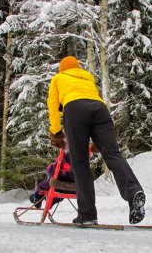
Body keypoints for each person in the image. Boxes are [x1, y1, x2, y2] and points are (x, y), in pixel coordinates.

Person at [47, 56, 145, 226]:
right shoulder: (87, 78)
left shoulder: (58, 77)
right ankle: (134, 191)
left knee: (80, 162)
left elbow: (53, 106)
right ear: (77, 67)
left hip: (75, 109)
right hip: (100, 109)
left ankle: (87, 215)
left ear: (62, 68)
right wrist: (98, 144)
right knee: (113, 154)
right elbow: (89, 107)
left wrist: (55, 133)